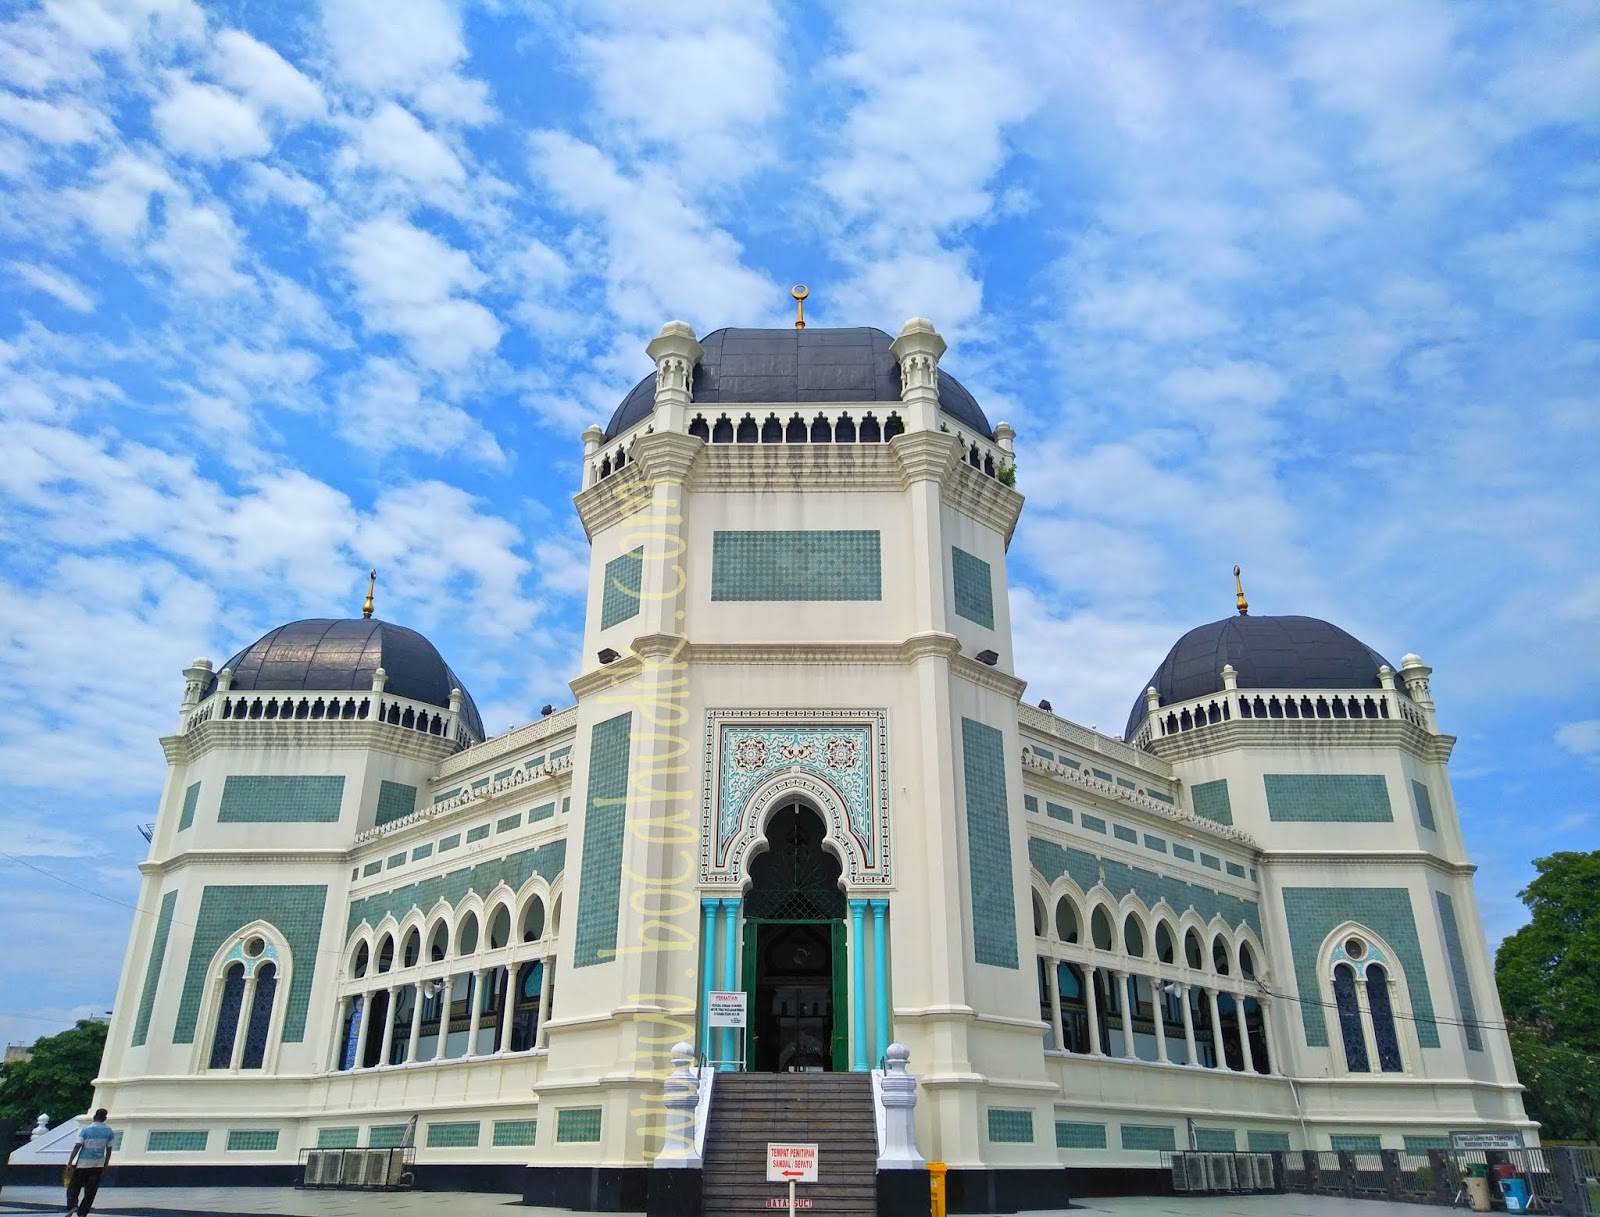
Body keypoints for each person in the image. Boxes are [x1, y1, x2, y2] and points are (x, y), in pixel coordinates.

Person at [65, 1109, 115, 1217]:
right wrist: (106, 1164)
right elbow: (109, 1149)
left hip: (83, 1164)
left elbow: (78, 1146)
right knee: (91, 1191)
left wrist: (70, 1162)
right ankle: (83, 1213)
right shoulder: (109, 1131)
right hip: (98, 1165)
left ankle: (73, 1204)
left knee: (74, 1186)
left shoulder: (86, 1130)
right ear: (105, 1118)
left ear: (94, 1117)